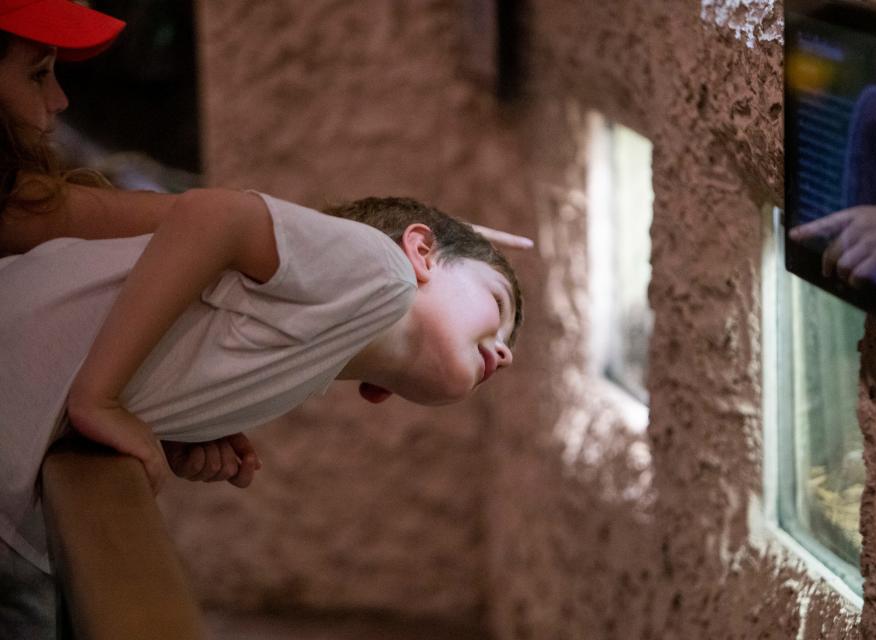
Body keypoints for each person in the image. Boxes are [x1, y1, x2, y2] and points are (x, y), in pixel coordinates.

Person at [0, 2, 530, 636]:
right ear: (419, 252)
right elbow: (220, 217)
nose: (503, 353)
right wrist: (102, 398)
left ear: (378, 391)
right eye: (497, 308)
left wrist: (180, 419)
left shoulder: (312, 350)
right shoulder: (381, 278)